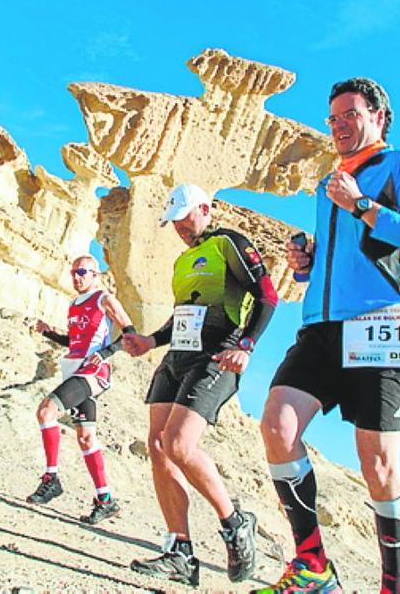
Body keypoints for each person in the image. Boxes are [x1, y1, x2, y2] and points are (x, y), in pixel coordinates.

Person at [255, 77, 400, 594]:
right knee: (277, 425)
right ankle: (313, 565)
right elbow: (349, 253)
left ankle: (393, 588)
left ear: (378, 117)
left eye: (350, 114)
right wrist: (307, 266)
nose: (339, 125)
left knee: (379, 465)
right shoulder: (328, 182)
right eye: (332, 117)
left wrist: (363, 206)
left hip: (381, 324)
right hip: (319, 326)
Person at [121, 183, 278, 587]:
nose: (179, 227)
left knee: (179, 444)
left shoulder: (229, 243)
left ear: (205, 208)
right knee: (158, 447)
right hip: (178, 358)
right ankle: (180, 551)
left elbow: (268, 296)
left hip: (219, 355)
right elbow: (182, 318)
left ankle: (234, 522)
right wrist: (150, 342)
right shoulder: (184, 261)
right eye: (172, 222)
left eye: (184, 218)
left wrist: (247, 344)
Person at [26, 255, 136, 525]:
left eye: (83, 272)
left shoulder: (104, 299)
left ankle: (51, 479)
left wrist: (107, 353)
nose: (77, 277)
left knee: (46, 411)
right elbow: (74, 340)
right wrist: (48, 333)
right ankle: (106, 500)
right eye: (73, 272)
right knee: (86, 437)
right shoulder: (74, 304)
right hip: (74, 370)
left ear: (95, 275)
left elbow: (130, 333)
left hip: (92, 373)